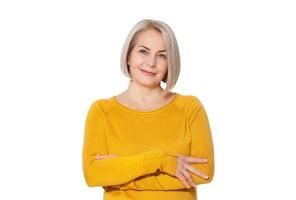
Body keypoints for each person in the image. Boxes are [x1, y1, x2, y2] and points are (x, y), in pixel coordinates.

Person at [82, 19, 215, 200]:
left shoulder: (190, 108)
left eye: (162, 55)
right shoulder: (102, 111)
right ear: (129, 56)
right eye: (143, 51)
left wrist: (119, 174)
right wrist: (162, 162)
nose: (151, 62)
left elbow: (203, 173)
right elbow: (93, 174)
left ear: (170, 62)